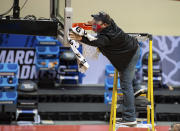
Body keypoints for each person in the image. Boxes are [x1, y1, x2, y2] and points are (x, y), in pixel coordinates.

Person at [69, 11, 146, 126]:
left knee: (125, 85)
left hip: (129, 55)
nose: (93, 22)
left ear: (104, 24)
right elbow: (98, 30)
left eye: (96, 21)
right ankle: (137, 86)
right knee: (127, 73)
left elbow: (96, 42)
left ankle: (130, 117)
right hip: (131, 50)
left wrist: (80, 38)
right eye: (94, 20)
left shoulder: (107, 37)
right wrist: (90, 24)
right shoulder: (109, 23)